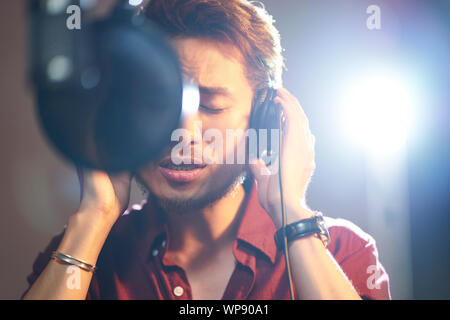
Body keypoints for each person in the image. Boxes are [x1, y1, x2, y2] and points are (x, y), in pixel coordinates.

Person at [22, 0, 390, 300]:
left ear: (264, 119)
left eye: (212, 106)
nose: (182, 132)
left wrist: (293, 217)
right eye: (159, 103)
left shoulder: (342, 252)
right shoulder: (85, 256)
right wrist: (94, 218)